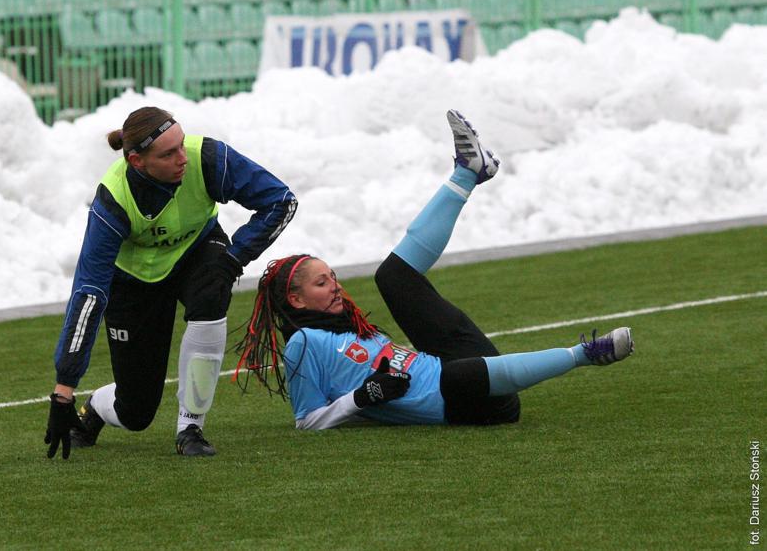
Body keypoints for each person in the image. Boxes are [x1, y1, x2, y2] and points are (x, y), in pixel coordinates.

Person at [235, 109, 634, 429]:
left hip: (452, 369)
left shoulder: (349, 326)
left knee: (391, 278)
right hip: (468, 404)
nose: (336, 287)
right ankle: (585, 353)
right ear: (295, 298)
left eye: (334, 277)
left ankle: (467, 173)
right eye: (322, 283)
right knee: (456, 377)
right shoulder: (303, 343)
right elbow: (307, 421)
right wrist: (364, 397)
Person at [44, 106, 297, 458]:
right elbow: (89, 295)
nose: (183, 158)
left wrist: (234, 257)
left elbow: (281, 201)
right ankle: (98, 408)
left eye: (181, 145)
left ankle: (190, 428)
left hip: (198, 251)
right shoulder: (112, 200)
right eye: (168, 153)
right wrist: (63, 390)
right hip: (132, 282)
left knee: (212, 287)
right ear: (137, 161)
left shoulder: (208, 157)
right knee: (135, 413)